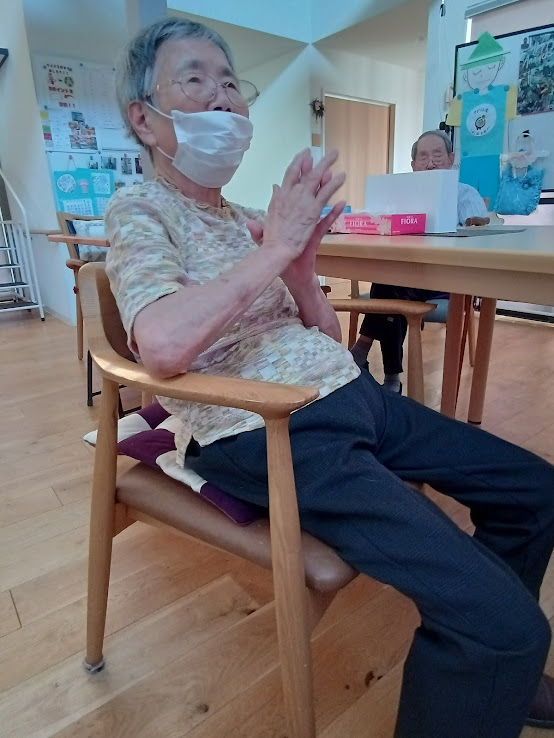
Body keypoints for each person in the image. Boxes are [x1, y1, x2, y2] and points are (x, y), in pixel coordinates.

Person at [105, 18, 554, 738]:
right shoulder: (139, 210)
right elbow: (159, 346)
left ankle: (497, 671)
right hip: (267, 429)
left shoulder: (250, 219)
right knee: (505, 622)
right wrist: (274, 251)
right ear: (144, 119)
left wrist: (302, 274)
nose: (222, 97)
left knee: (535, 491)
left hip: (352, 396)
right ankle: (498, 647)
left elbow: (324, 343)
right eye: (194, 79)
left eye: (231, 83)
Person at [351, 129, 490, 394]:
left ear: (451, 159)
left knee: (389, 284)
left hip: (447, 281)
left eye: (438, 155)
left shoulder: (465, 193)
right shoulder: (402, 196)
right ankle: (390, 376)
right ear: (413, 165)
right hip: (408, 277)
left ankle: (366, 352)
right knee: (392, 281)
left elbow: (479, 237)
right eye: (423, 157)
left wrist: (473, 225)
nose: (431, 163)